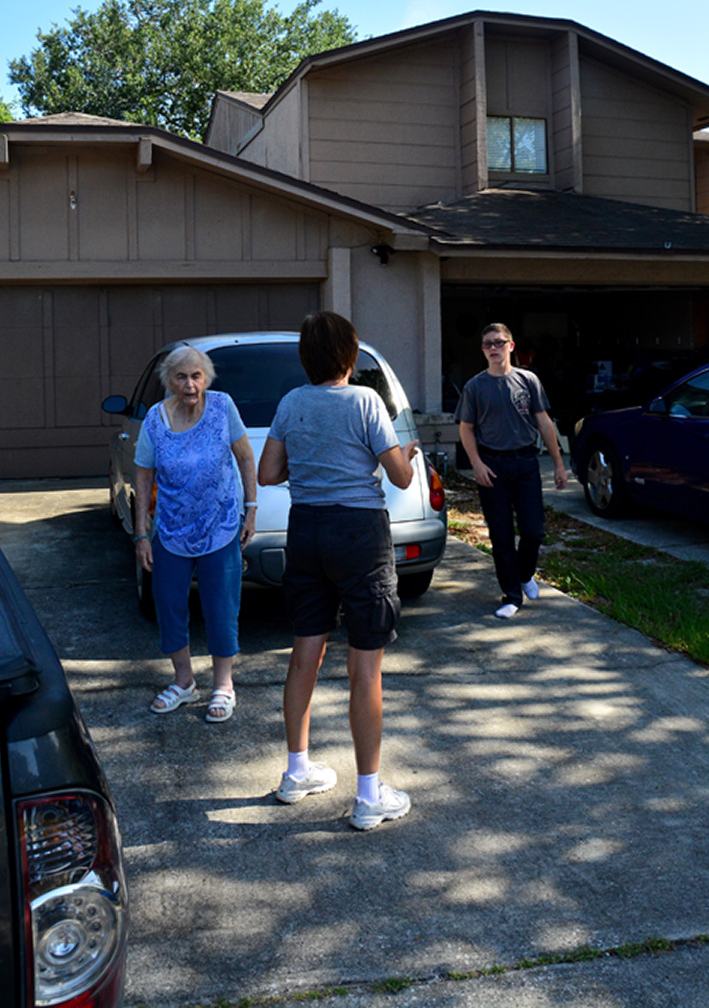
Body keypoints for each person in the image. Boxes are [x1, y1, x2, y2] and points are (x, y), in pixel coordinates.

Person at [258, 312, 418, 831]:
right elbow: (398, 475)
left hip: (306, 532)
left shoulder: (290, 403)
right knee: (365, 665)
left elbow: (269, 473)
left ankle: (295, 771)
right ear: (349, 355)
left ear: (307, 357)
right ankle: (368, 796)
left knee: (307, 650)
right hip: (359, 534)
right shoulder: (367, 401)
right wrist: (406, 454)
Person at [134, 344, 257, 720]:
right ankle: (184, 682)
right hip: (171, 530)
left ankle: (224, 686)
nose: (190, 384)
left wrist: (250, 508)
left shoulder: (222, 407)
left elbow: (245, 457)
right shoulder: (155, 419)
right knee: (169, 606)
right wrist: (141, 533)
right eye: (182, 377)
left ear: (207, 378)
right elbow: (143, 475)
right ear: (169, 381)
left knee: (221, 608)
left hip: (219, 527)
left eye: (196, 376)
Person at [456, 322, 567, 619]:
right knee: (501, 534)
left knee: (533, 530)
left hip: (525, 462)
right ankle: (511, 596)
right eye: (488, 344)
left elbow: (544, 422)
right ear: (482, 350)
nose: (494, 348)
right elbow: (465, 429)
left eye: (499, 342)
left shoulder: (528, 380)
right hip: (492, 465)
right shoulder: (474, 387)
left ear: (511, 346)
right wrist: (477, 464)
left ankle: (525, 572)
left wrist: (558, 463)